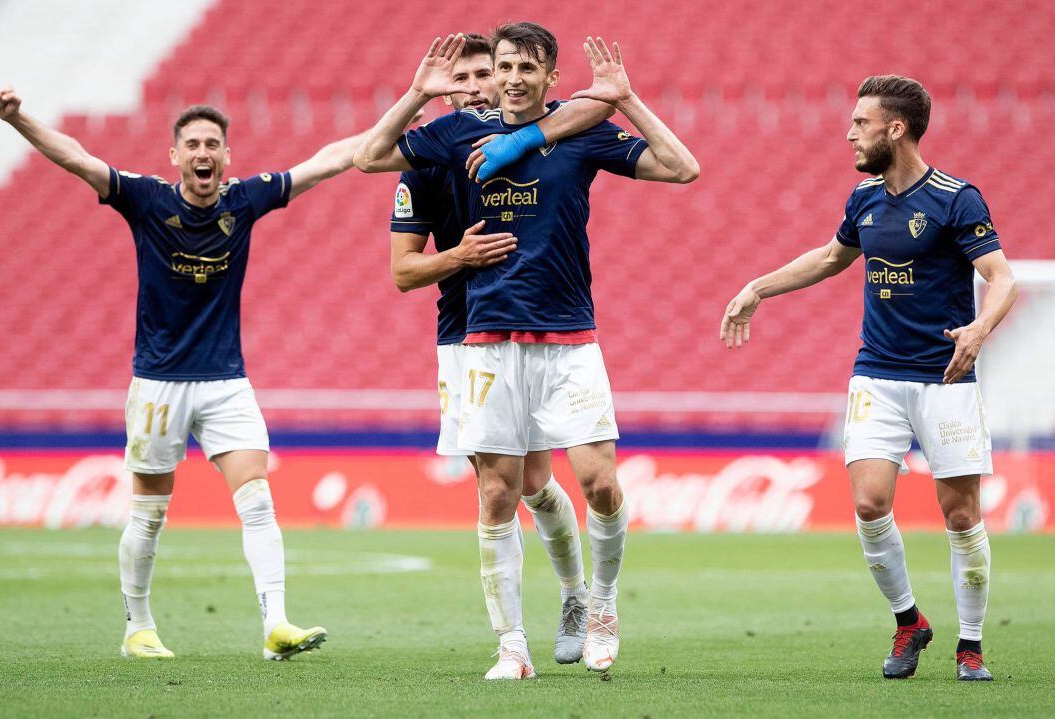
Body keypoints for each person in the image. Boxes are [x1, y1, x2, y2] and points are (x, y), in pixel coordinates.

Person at [356, 24, 699, 679]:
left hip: (569, 339)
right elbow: (370, 157)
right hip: (486, 341)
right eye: (504, 64)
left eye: (525, 67)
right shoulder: (458, 134)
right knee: (495, 495)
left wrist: (624, 98)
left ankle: (600, 603)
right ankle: (512, 643)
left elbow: (683, 167)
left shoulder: (578, 132)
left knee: (599, 482)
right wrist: (415, 93)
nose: (511, 77)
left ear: (550, 75)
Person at [0, 87, 365, 660]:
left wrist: (412, 103)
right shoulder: (145, 199)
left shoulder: (246, 202)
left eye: (212, 143)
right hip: (159, 383)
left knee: (259, 500)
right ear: (175, 156)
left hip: (225, 381)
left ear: (226, 156)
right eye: (192, 143)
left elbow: (330, 160)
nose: (203, 152)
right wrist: (20, 121)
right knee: (148, 512)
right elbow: (75, 157)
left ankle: (276, 625)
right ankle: (137, 628)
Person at [720, 75, 1016, 681]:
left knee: (960, 516)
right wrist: (757, 288)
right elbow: (831, 258)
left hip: (945, 378)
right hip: (876, 374)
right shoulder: (865, 199)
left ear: (895, 128)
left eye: (861, 122)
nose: (849, 131)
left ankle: (972, 644)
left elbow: (1001, 278)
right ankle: (910, 622)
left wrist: (980, 329)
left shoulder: (957, 199)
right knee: (869, 503)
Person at [388, 32, 616, 669]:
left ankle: (575, 595)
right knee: (503, 488)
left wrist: (527, 136)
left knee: (534, 482)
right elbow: (402, 272)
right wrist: (458, 257)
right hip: (464, 334)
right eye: (464, 78)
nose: (479, 86)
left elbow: (592, 107)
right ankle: (522, 633)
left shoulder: (537, 134)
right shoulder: (433, 157)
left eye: (487, 73)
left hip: (533, 324)